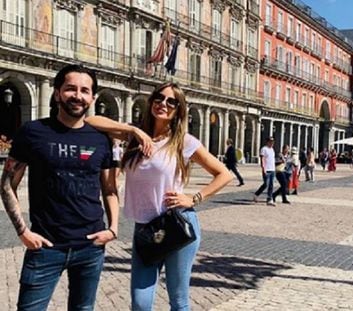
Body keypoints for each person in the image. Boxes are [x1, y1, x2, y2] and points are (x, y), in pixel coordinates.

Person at [85, 82, 232, 311]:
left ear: (178, 110)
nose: (163, 104)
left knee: (178, 300)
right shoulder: (134, 138)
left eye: (171, 101)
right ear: (152, 101)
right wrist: (133, 130)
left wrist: (194, 198)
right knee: (140, 303)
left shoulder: (184, 141)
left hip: (176, 224)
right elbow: (90, 122)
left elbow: (224, 174)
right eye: (159, 98)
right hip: (144, 228)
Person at [0, 64, 121, 310]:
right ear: (57, 93)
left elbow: (109, 189)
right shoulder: (33, 132)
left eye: (84, 90)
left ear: (92, 98)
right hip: (46, 247)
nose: (77, 95)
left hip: (90, 246)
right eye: (70, 89)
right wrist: (23, 232)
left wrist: (113, 229)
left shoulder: (101, 140)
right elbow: (6, 185)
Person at [253, 137, 276, 205]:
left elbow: (272, 159)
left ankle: (269, 199)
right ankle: (256, 194)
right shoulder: (264, 149)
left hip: (272, 169)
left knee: (271, 185)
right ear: (267, 142)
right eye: (271, 141)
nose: (272, 143)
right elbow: (262, 159)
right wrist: (263, 168)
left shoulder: (272, 149)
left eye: (273, 142)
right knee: (266, 184)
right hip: (267, 169)